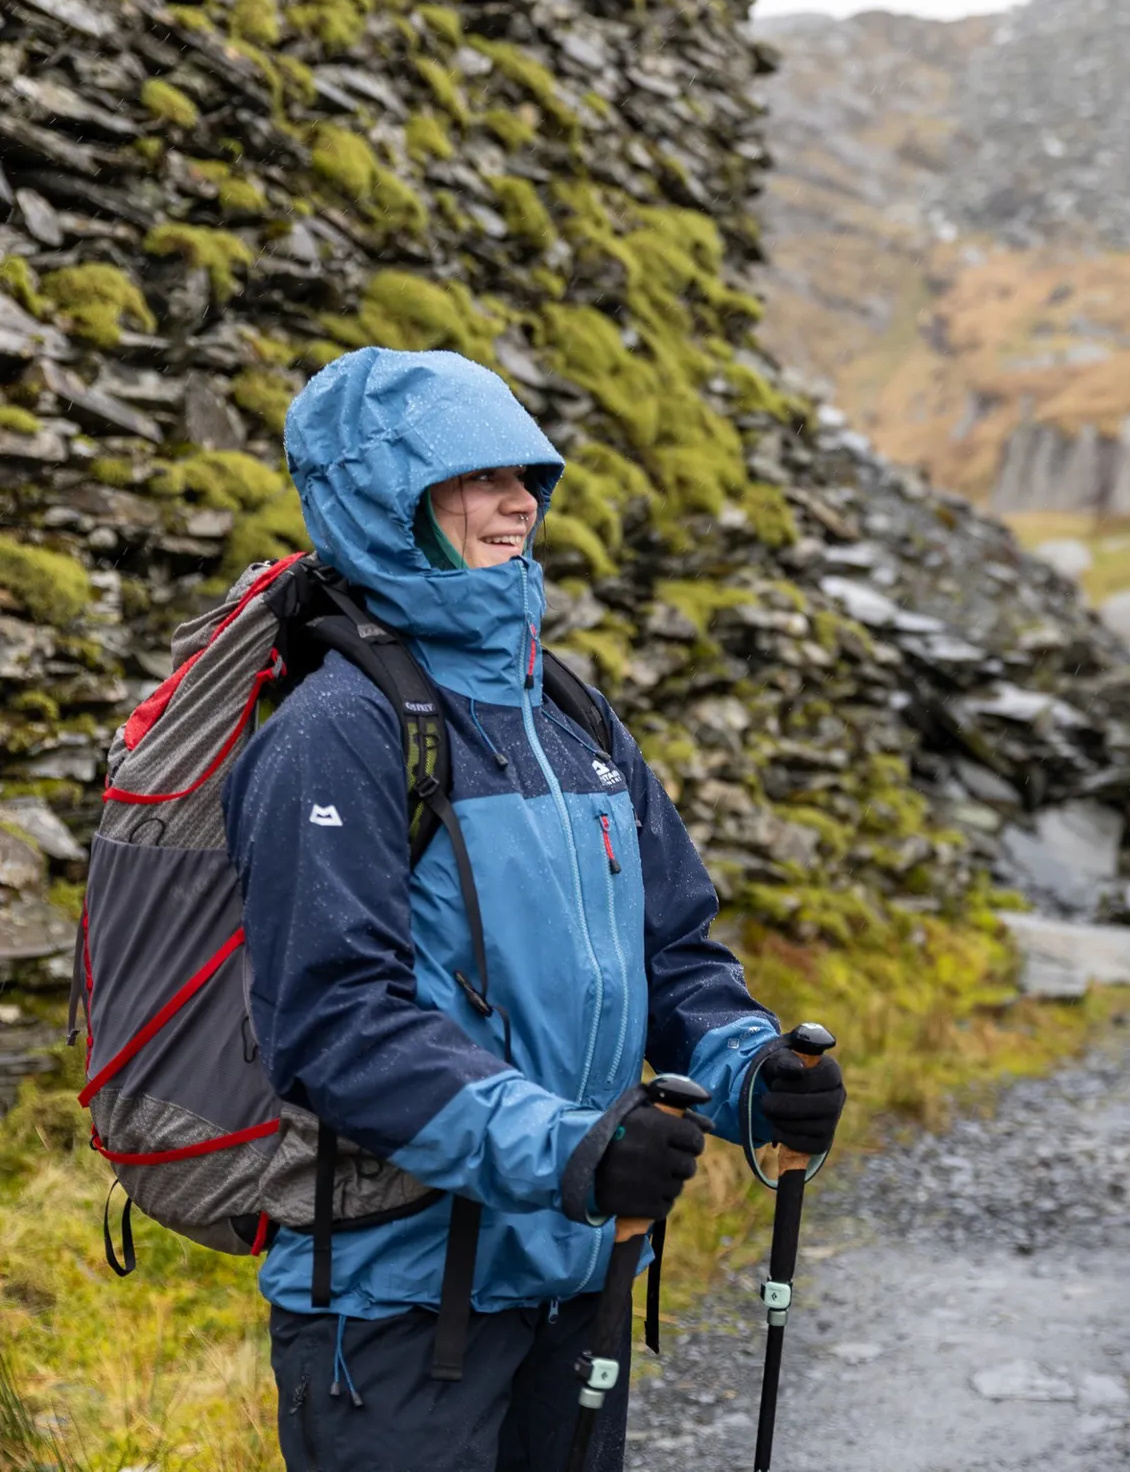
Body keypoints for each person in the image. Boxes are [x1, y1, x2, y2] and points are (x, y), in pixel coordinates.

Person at [225, 347, 846, 1472]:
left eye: (526, 476)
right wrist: (574, 1149)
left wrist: (755, 1074)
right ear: (384, 496)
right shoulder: (334, 732)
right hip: (396, 1306)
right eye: (478, 476)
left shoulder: (571, 718)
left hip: (577, 1273)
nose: (520, 502)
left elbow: (672, 953)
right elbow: (334, 1022)